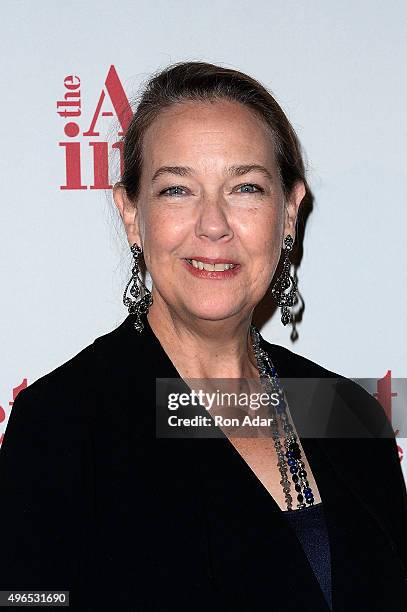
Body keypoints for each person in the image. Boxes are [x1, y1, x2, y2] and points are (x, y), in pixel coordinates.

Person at [0, 61, 406, 612]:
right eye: (176, 190)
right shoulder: (63, 426)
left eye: (245, 188)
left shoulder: (343, 411)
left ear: (289, 210)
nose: (213, 224)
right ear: (130, 214)